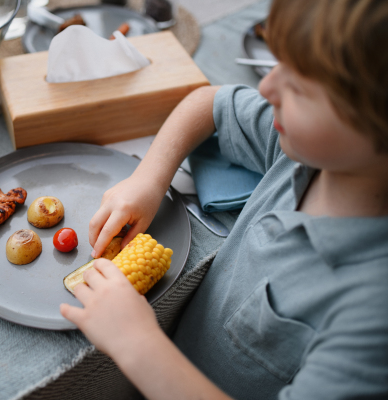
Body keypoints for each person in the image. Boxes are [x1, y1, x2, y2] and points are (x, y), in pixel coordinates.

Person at [59, 0, 388, 398]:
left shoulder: (373, 321)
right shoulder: (302, 153)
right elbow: (210, 102)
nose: (266, 87)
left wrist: (136, 342)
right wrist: (149, 178)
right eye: (276, 63)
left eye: (299, 87)